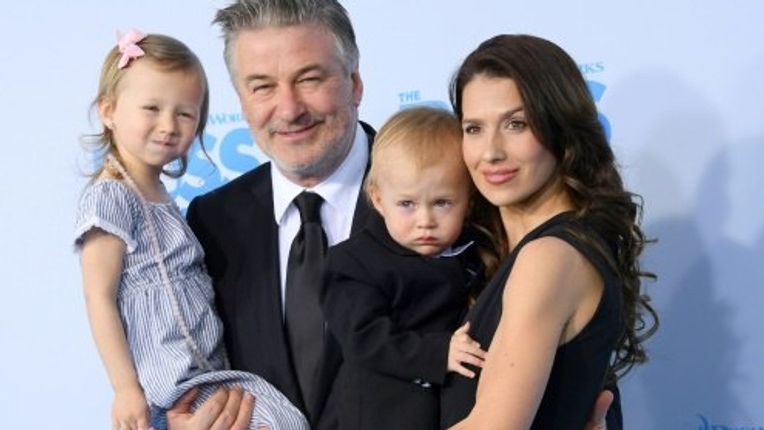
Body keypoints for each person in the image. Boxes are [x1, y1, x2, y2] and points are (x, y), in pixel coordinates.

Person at [176, 1, 618, 429]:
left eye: (309, 79)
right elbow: (192, 371)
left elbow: (572, 369)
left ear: (355, 82)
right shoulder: (212, 222)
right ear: (240, 98)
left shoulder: (469, 192)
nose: (289, 109)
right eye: (263, 86)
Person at [74, 29, 308, 430]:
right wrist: (126, 388)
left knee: (288, 421)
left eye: (185, 113)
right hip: (171, 386)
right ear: (109, 111)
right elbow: (99, 297)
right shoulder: (110, 196)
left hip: (208, 373)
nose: (169, 125)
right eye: (152, 108)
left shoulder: (162, 195)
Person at [438, 34, 659, 429]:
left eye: (516, 124)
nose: (490, 152)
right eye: (473, 128)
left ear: (559, 125)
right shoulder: (538, 250)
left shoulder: (550, 257)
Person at [321, 107, 488, 430]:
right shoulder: (353, 263)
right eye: (407, 204)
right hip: (382, 416)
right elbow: (364, 337)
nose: (425, 220)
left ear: (468, 200)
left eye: (442, 203)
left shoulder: (476, 252)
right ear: (379, 200)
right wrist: (438, 353)